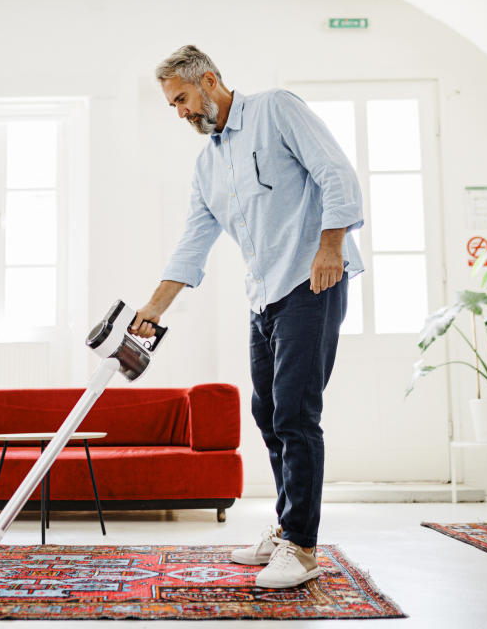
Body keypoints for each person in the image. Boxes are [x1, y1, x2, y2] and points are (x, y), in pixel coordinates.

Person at [131, 45, 364, 588]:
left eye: (183, 99)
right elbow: (194, 242)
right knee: (267, 415)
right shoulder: (207, 164)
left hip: (313, 280)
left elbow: (336, 173)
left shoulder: (274, 109)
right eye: (172, 106)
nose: (182, 113)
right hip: (263, 298)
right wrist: (153, 309)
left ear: (208, 81)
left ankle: (303, 549)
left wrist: (331, 246)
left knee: (295, 416)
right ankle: (287, 529)